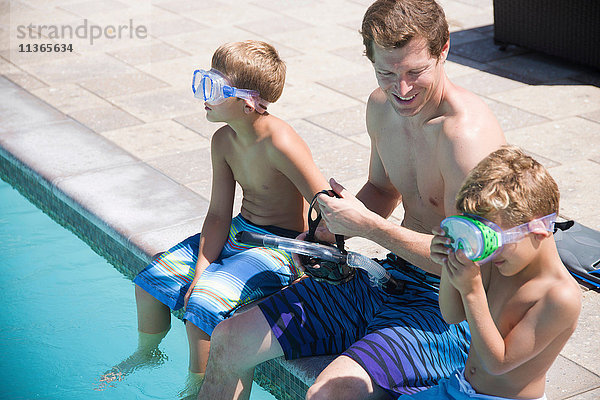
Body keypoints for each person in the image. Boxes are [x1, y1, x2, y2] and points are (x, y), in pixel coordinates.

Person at [198, 0, 507, 399]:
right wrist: (327, 233)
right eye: (386, 73)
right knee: (229, 337)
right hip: (390, 277)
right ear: (370, 58)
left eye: (416, 72)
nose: (403, 89)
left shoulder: (465, 136)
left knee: (327, 394)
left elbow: (471, 262)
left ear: (443, 48)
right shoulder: (382, 108)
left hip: (451, 308)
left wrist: (372, 227)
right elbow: (382, 188)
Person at [104, 40, 328, 397]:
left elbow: (324, 203)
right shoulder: (223, 140)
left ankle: (196, 389)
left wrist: (312, 264)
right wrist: (203, 267)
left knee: (201, 307)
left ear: (248, 101)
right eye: (203, 81)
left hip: (280, 248)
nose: (202, 94)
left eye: (213, 87)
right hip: (240, 232)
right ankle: (147, 355)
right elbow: (218, 214)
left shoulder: (281, 142)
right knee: (148, 283)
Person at [403, 145, 582, 400]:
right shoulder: (499, 261)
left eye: (493, 240)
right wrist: (448, 262)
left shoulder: (559, 296)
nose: (487, 253)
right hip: (459, 387)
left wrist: (472, 289)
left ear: (539, 229)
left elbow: (499, 364)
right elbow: (451, 314)